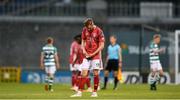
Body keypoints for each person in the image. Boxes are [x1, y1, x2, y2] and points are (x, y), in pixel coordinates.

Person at [71, 18, 105, 97]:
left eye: (89, 27)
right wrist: (84, 50)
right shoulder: (84, 30)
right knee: (83, 73)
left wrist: (93, 53)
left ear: (92, 24)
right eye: (87, 27)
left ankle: (94, 92)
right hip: (86, 55)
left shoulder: (99, 31)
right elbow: (83, 41)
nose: (88, 29)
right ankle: (79, 92)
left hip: (96, 55)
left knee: (95, 73)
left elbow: (102, 45)